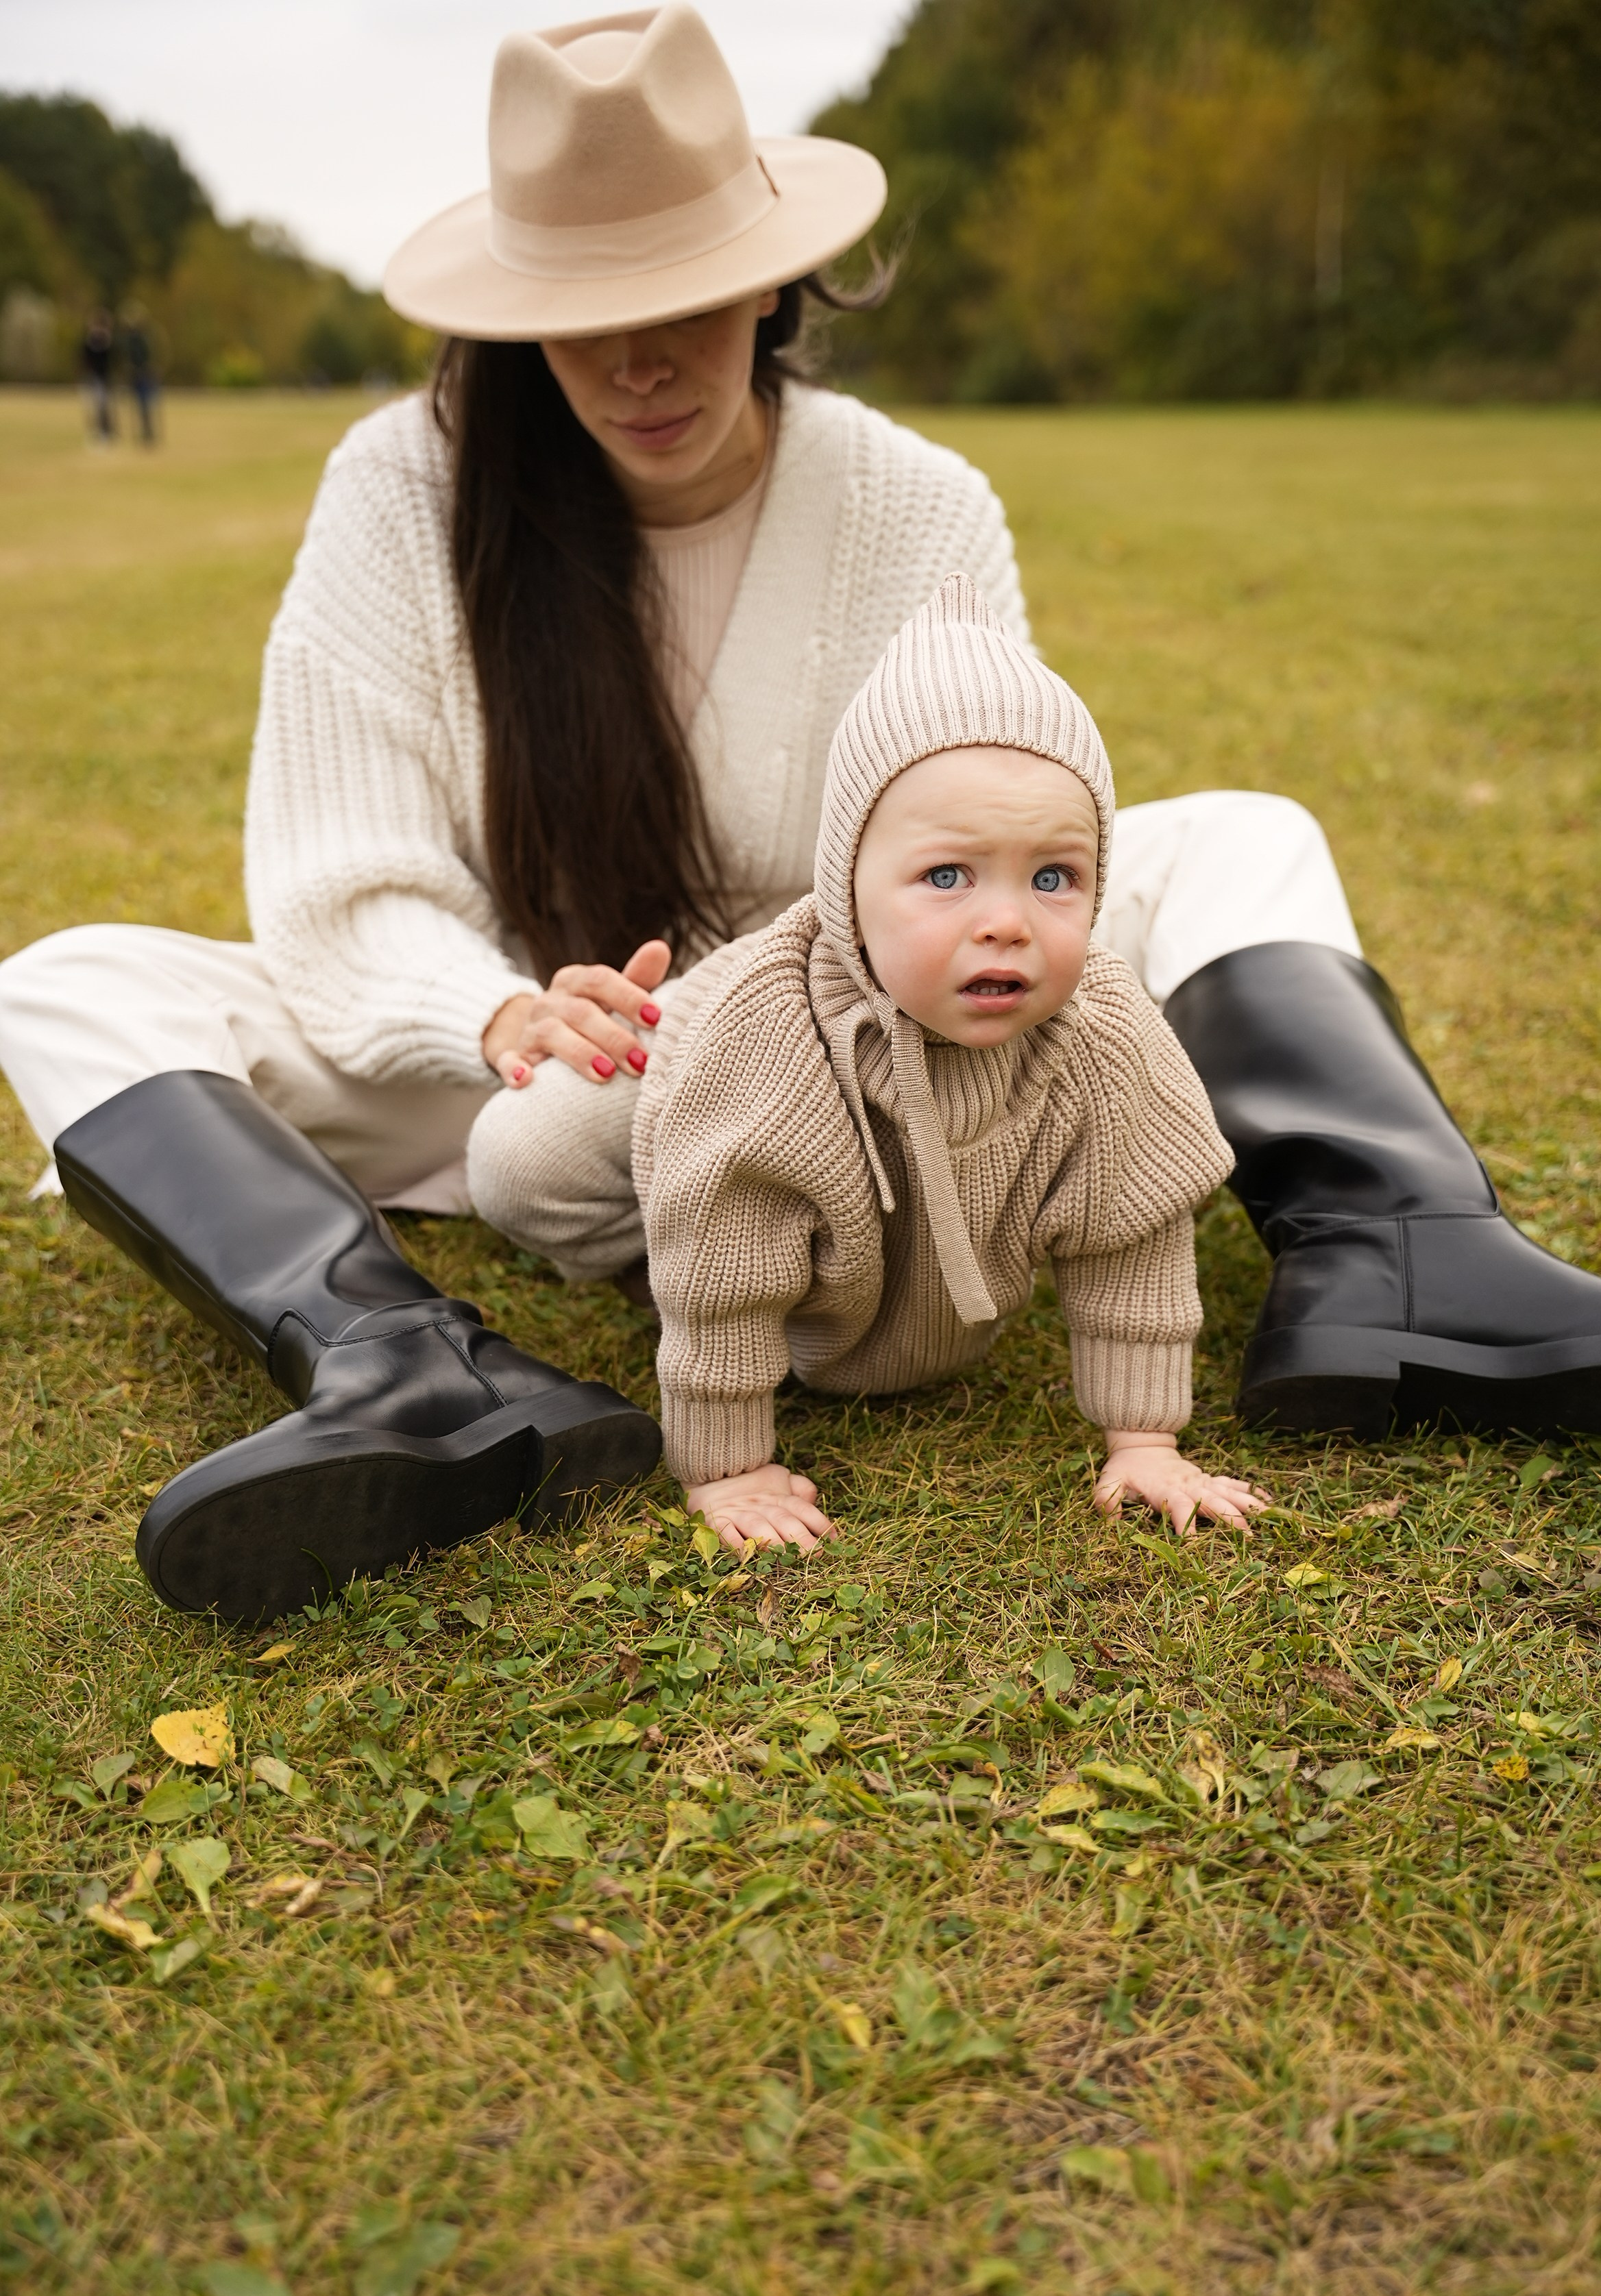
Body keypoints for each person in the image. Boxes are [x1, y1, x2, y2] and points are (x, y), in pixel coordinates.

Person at [0, 6, 1594, 1627]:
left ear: (772, 284)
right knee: (71, 983)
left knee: (1244, 833)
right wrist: (493, 1011)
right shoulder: (400, 485)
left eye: (683, 301)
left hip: (856, 1036)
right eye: (584, 316)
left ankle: (1399, 1252)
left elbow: (983, 830)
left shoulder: (913, 500)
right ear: (516, 322)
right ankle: (400, 1364)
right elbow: (340, 876)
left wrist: (813, 983)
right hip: (549, 1061)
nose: (639, 362)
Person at [635, 573, 1271, 1553]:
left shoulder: (1104, 1033)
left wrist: (1145, 1439)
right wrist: (729, 1467)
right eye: (946, 876)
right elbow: (726, 1268)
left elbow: (1135, 1231)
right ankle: (628, 1230)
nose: (1007, 922)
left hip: (885, 1282)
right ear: (848, 889)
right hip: (669, 1095)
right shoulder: (767, 1042)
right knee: (530, 1160)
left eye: (1053, 876)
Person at [121, 306, 159, 444]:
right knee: (140, 405)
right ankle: (144, 432)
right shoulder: (130, 341)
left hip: (143, 375)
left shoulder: (143, 340)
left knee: (144, 404)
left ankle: (147, 432)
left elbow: (147, 358)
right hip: (136, 375)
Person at [81, 308, 115, 443]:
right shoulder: (89, 342)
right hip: (92, 378)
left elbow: (110, 360)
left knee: (103, 406)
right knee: (92, 406)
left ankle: (106, 432)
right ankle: (96, 431)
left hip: (103, 378)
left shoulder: (107, 342)